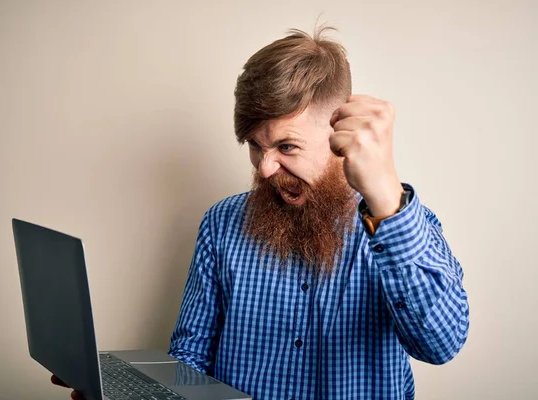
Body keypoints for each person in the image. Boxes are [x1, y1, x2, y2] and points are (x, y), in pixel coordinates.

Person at [53, 25, 469, 400]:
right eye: (255, 145)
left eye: (287, 147)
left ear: (339, 135)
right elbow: (191, 356)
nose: (265, 168)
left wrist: (385, 198)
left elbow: (440, 345)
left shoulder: (399, 227)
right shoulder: (222, 223)